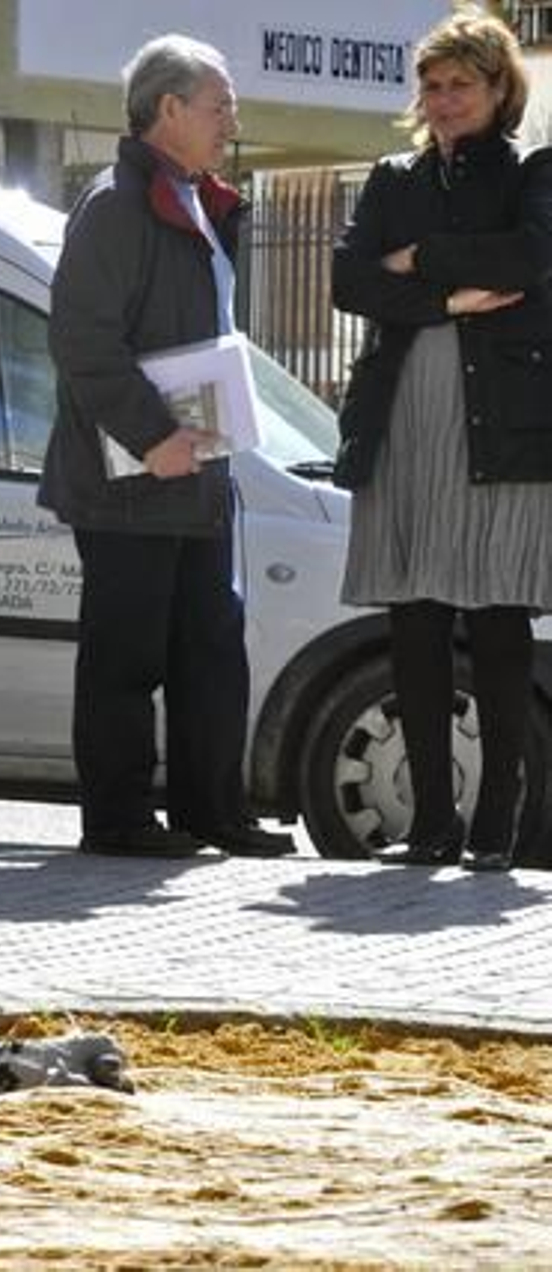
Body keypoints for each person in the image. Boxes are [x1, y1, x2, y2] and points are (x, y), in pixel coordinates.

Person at [38, 34, 294, 861]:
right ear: (169, 109)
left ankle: (213, 812)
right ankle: (115, 820)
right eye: (219, 105)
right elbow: (82, 343)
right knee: (126, 654)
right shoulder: (115, 206)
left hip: (197, 472)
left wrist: (194, 444)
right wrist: (153, 438)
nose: (232, 121)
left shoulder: (197, 200)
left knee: (209, 648)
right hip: (131, 478)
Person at [331, 8, 552, 873]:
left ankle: (495, 826)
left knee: (498, 628)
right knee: (414, 624)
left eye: (461, 84)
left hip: (500, 432)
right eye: (431, 84)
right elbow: (349, 278)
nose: (444, 99)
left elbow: (531, 258)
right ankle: (431, 826)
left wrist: (415, 263)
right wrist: (452, 300)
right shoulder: (392, 178)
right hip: (404, 424)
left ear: (499, 89)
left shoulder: (536, 169)